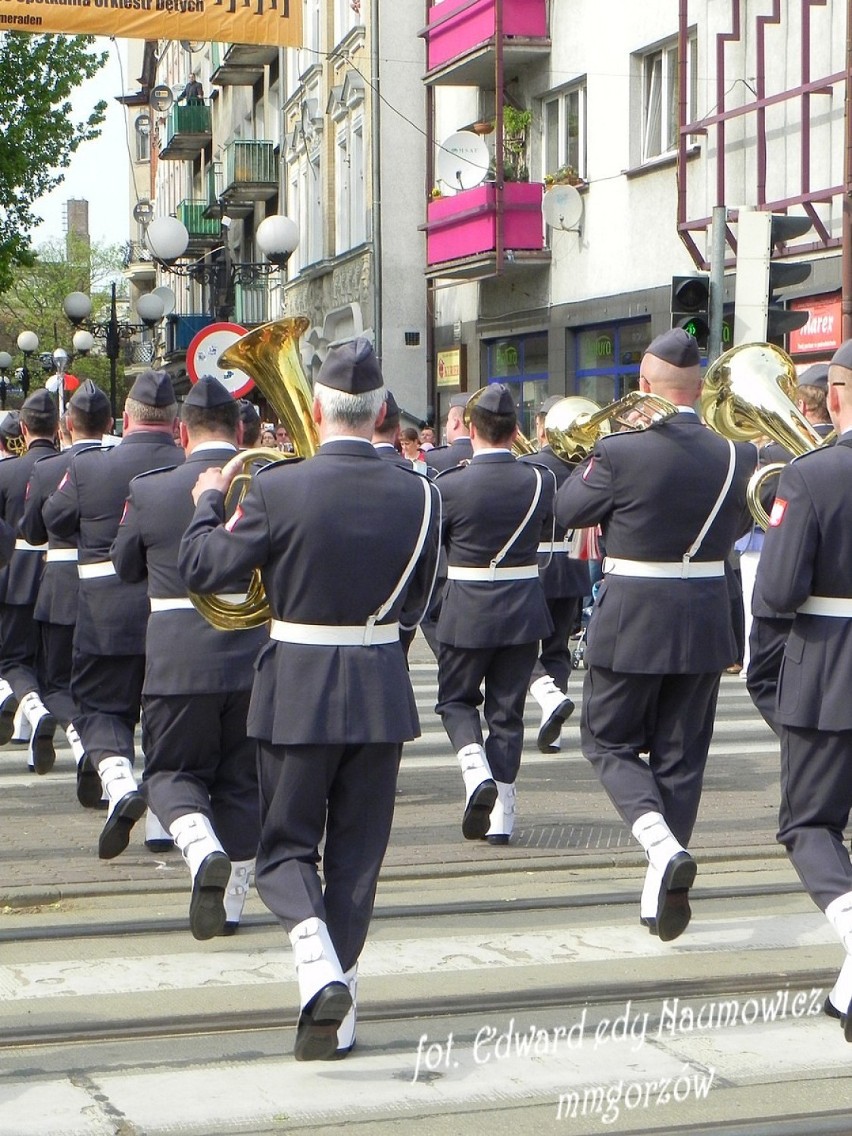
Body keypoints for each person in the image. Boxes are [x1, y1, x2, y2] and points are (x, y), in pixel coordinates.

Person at [178, 338, 440, 1061]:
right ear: (383, 411)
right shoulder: (423, 491)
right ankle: (341, 1003)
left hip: (295, 686)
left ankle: (313, 960)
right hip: (381, 690)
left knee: (285, 847)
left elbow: (206, 566)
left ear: (317, 409)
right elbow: (422, 597)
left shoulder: (277, 486)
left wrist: (206, 504)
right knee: (357, 856)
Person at [555, 328, 756, 941]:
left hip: (634, 619)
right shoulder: (738, 454)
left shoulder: (620, 450)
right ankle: (658, 884)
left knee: (607, 744)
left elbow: (566, 511)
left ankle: (657, 843)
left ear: (644, 388)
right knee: (681, 758)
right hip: (702, 620)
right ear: (697, 389)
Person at [111, 376, 266, 940]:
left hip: (178, 661)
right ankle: (230, 909)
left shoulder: (151, 489)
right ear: (242, 428)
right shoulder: (270, 481)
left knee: (171, 773)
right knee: (242, 784)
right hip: (255, 658)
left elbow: (125, 565)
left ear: (181, 431)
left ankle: (201, 851)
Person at [43, 371, 184, 858]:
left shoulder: (89, 467)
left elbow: (54, 519)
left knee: (100, 709)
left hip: (105, 615)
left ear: (126, 419)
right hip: (175, 619)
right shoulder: (188, 466)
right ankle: (164, 825)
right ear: (175, 424)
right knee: (165, 718)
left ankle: (120, 782)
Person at [755, 339, 852, 1037]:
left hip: (830, 670)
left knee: (809, 823)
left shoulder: (812, 475)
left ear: (837, 395)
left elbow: (780, 590)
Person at [434, 383, 555, 845]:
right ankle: (503, 812)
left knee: (455, 700)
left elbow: (438, 547)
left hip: (466, 610)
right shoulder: (540, 479)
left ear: (469, 428)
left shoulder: (450, 485)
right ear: (516, 430)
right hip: (523, 610)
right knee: (508, 713)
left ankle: (473, 771)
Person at [19, 383, 113, 786]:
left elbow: (34, 533)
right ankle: (102, 748)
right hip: (108, 588)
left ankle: (80, 738)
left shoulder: (47, 469)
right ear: (109, 424)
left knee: (57, 682)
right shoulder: (117, 461)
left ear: (66, 425)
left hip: (59, 588)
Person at [747, 364, 834, 733]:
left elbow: (762, 497)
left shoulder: (780, 451)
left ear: (802, 403)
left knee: (765, 678)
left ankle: (799, 743)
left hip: (787, 585)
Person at [519, 395, 587, 753]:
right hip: (572, 566)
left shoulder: (530, 465)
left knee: (519, 646)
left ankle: (547, 699)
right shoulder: (583, 467)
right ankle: (554, 728)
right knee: (558, 648)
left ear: (542, 426)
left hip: (537, 568)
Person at [0, 389, 59, 772]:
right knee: (54, 668)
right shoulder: (71, 467)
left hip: (15, 575)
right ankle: (41, 732)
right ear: (57, 428)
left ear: (23, 428)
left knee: (14, 660)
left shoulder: (6, 471)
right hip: (60, 577)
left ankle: (33, 713)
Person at [425, 392, 473, 472]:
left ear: (455, 422)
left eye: (448, 420)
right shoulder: (488, 455)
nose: (446, 425)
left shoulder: (431, 458)